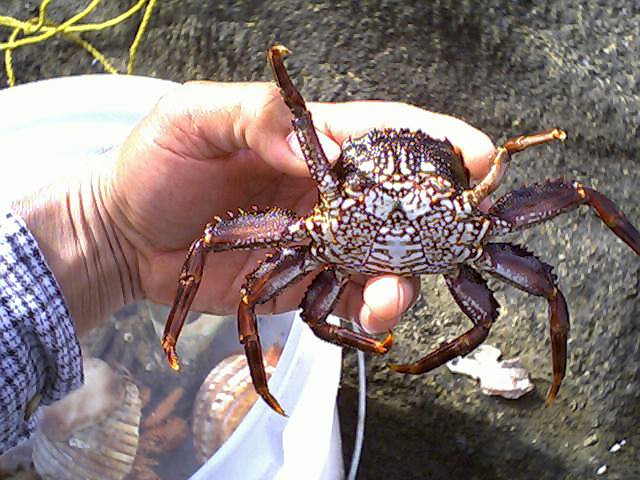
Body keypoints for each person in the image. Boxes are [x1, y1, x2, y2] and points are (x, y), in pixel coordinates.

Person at [0, 81, 495, 453]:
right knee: (259, 290)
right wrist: (112, 230)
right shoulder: (315, 208)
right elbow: (224, 253)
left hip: (357, 237)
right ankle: (263, 378)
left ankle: (293, 367)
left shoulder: (466, 209)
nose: (398, 178)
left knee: (469, 313)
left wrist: (109, 228)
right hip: (335, 236)